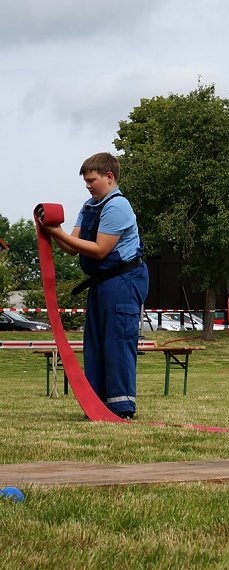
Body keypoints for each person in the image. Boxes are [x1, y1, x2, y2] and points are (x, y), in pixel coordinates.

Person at [40, 152, 148, 419]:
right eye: (85, 181)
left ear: (109, 177)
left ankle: (122, 408)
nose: (88, 185)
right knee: (96, 343)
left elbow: (100, 250)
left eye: (92, 180)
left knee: (118, 342)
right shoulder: (90, 206)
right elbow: (71, 248)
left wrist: (58, 233)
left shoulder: (117, 206)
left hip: (123, 280)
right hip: (102, 283)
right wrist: (51, 229)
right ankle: (97, 405)